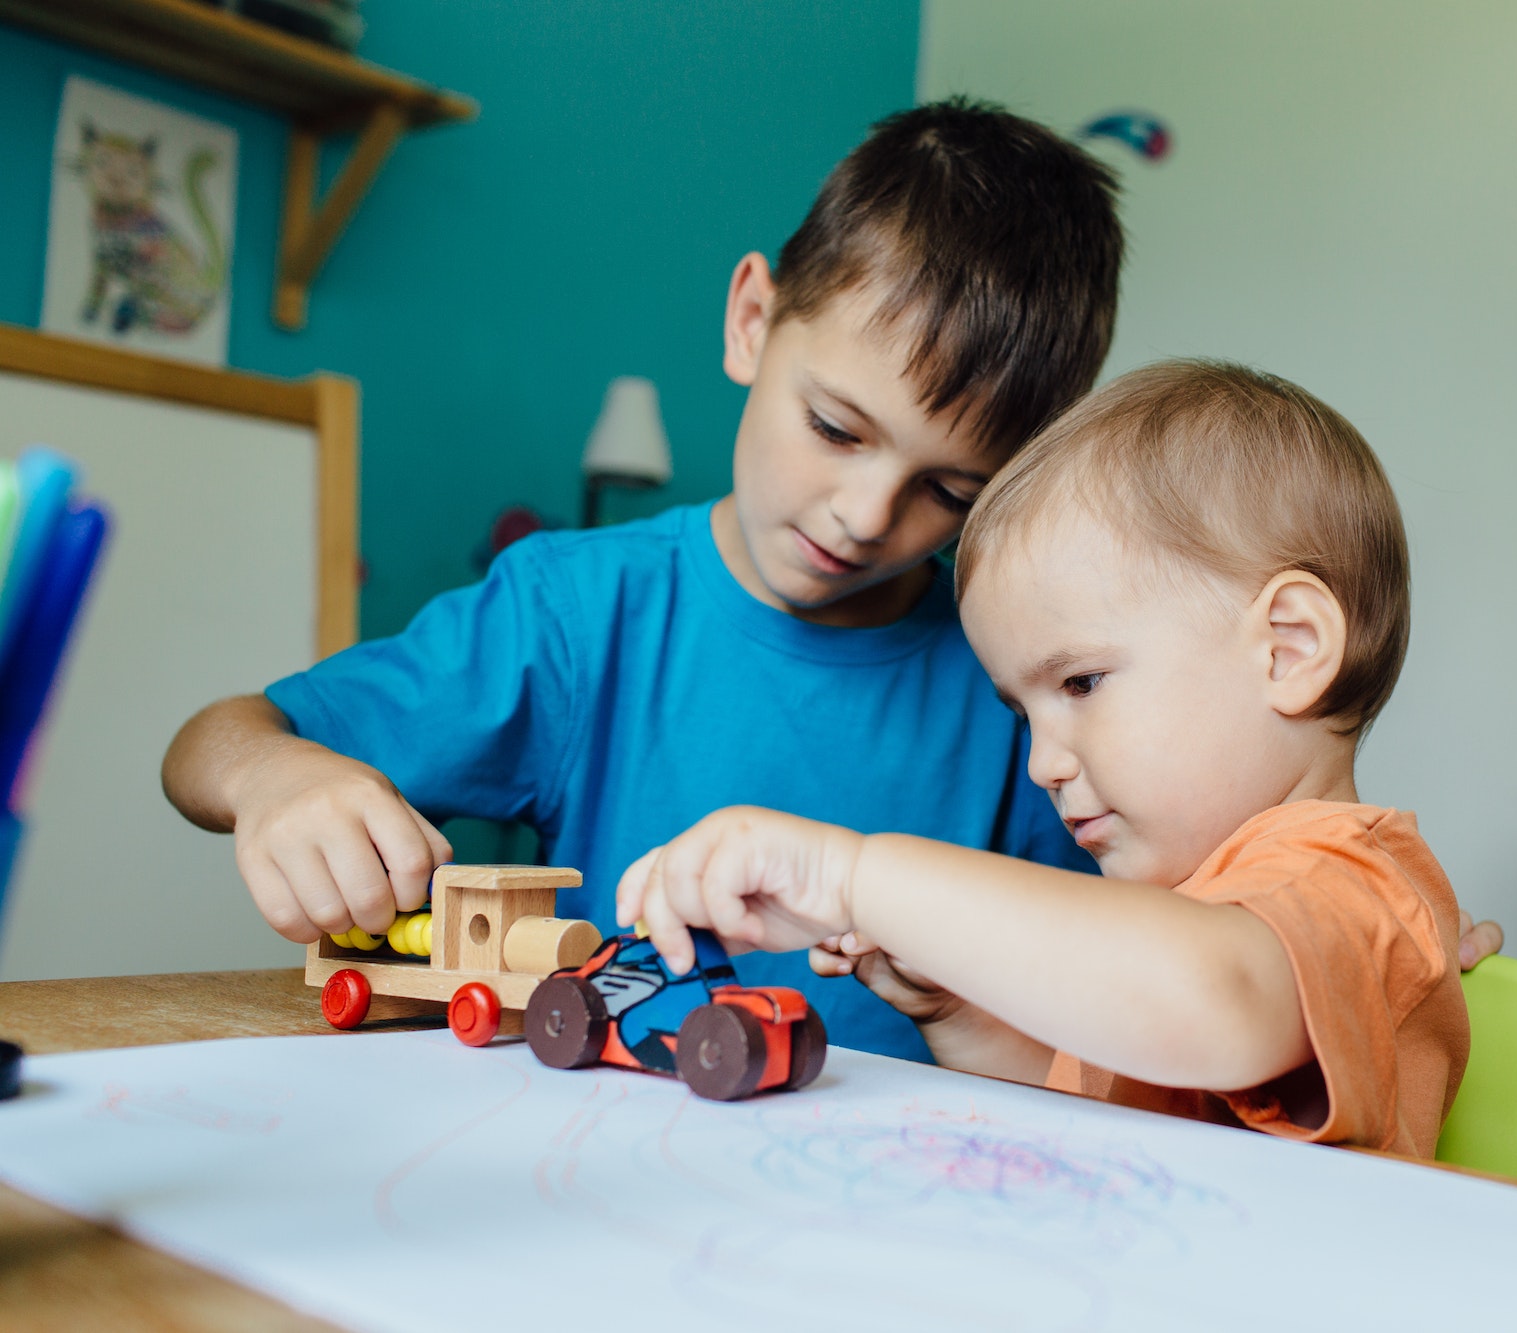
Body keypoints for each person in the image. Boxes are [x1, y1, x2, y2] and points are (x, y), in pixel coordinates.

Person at [160, 99, 1123, 1063]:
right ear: (752, 320)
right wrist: (272, 778)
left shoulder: (1018, 680)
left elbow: (1101, 1004)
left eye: (950, 490)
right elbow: (214, 742)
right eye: (835, 429)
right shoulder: (578, 613)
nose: (867, 516)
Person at [619, 361, 1470, 1155]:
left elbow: (1212, 998)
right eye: (1023, 713)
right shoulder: (1186, 922)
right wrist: (959, 1012)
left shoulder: (1356, 886)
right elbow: (1095, 1122)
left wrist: (854, 876)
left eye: (1083, 681)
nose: (1043, 765)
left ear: (1288, 649)